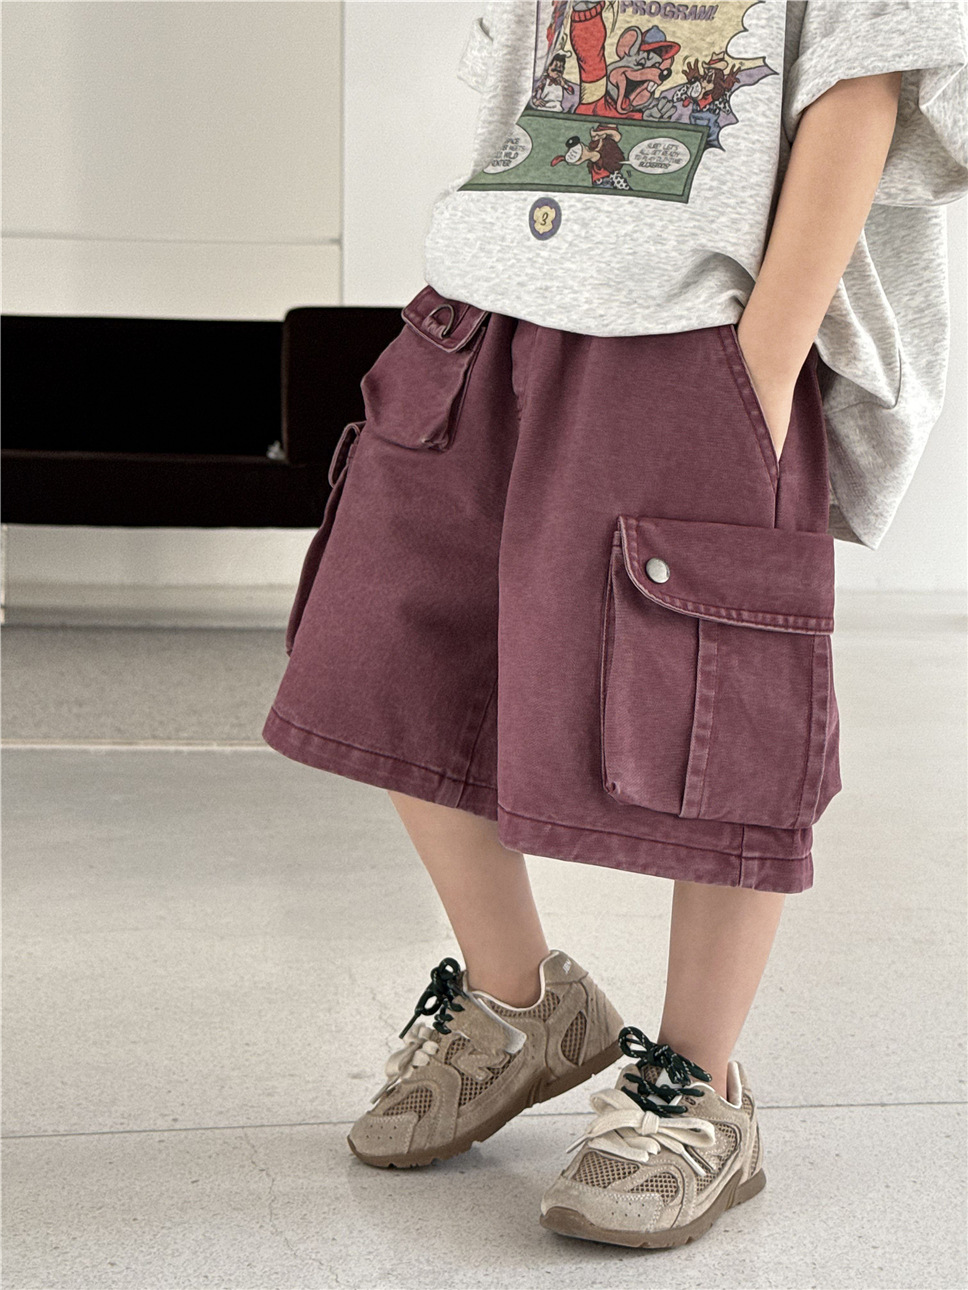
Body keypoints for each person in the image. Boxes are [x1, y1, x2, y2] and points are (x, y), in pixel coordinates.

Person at [263, 0, 967, 1251]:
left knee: (716, 706)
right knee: (382, 653)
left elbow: (860, 86)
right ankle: (515, 1003)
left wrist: (759, 363)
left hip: (695, 325)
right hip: (482, 307)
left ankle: (697, 1086)